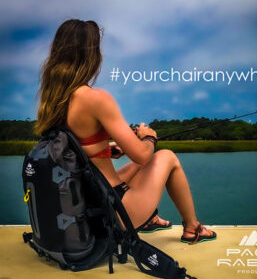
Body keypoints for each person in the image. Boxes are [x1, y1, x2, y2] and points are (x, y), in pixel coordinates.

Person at [34, 19, 216, 244]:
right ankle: (192, 228)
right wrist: (149, 137)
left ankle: (149, 219)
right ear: (91, 55)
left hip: (84, 204)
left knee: (140, 166)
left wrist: (105, 150)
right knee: (166, 157)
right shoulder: (95, 98)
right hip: (114, 211)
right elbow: (142, 154)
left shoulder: (52, 101)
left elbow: (73, 148)